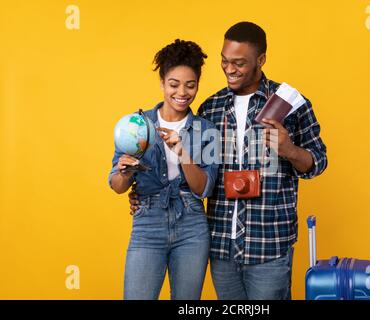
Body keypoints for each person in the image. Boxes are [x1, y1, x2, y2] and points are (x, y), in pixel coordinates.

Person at [129, 22, 328, 300]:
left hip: (268, 244)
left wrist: (289, 149)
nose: (229, 69)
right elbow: (189, 172)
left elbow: (318, 162)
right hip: (221, 244)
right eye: (224, 61)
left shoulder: (291, 104)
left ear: (261, 60)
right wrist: (143, 191)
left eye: (239, 63)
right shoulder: (210, 107)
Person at [108, 39, 219, 300]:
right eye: (174, 84)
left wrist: (182, 151)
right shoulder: (137, 125)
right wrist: (124, 173)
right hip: (148, 222)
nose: (182, 92)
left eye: (190, 85)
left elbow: (204, 189)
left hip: (191, 225)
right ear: (161, 83)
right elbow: (116, 185)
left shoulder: (207, 130)